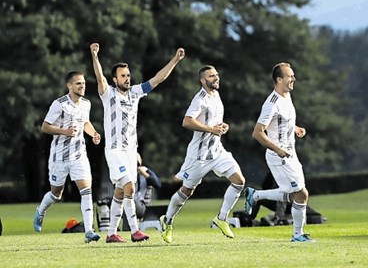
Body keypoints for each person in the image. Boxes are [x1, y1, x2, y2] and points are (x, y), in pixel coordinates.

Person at [89, 42, 185, 243]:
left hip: (131, 151)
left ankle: (111, 234)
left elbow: (158, 79)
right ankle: (135, 231)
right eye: (122, 76)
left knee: (120, 191)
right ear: (115, 79)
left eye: (128, 75)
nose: (127, 78)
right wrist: (95, 56)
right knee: (130, 187)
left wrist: (175, 60)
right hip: (115, 150)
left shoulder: (135, 92)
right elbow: (99, 77)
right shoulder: (108, 94)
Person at [159, 65, 245, 243]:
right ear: (202, 80)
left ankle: (221, 218)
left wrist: (222, 127)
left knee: (239, 181)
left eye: (216, 74)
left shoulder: (217, 95)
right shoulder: (199, 99)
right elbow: (186, 121)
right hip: (198, 156)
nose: (216, 78)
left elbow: (215, 123)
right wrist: (210, 129)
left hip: (217, 151)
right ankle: (167, 221)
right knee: (186, 191)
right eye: (211, 76)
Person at [244, 62, 315, 243]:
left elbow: (283, 124)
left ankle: (256, 195)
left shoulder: (287, 96)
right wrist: (278, 149)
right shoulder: (271, 103)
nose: (293, 79)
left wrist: (296, 129)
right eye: (290, 76)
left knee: (295, 194)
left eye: (293, 76)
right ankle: (297, 235)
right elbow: (257, 133)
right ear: (279, 79)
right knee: (301, 194)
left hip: (291, 154)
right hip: (279, 157)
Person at [33, 71, 102, 244]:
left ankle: (89, 231)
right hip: (59, 157)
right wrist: (64, 131)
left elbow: (85, 122)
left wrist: (93, 134)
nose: (82, 86)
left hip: (79, 155)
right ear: (69, 86)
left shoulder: (86, 104)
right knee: (56, 193)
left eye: (84, 83)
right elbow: (45, 127)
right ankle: (40, 211)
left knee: (86, 191)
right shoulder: (59, 104)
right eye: (78, 83)